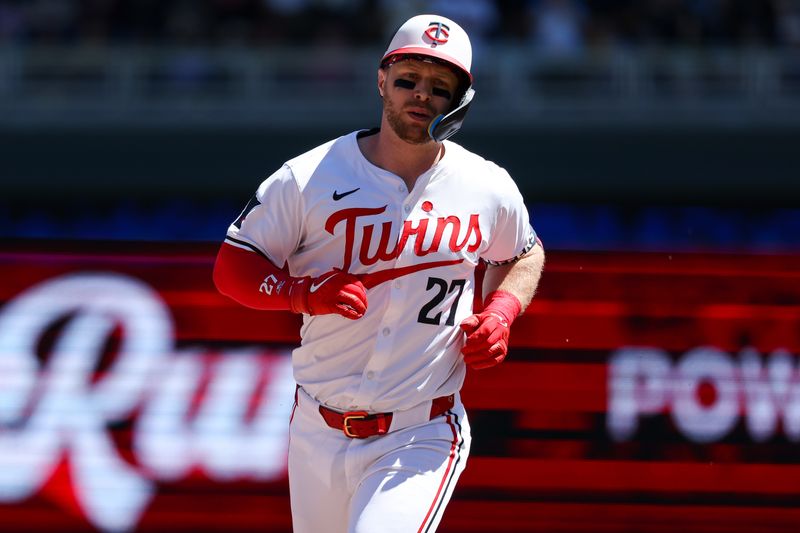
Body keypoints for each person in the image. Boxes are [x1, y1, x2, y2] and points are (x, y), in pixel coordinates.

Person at [213, 13, 545, 533]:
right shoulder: (309, 176)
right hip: (316, 426)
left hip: (420, 429)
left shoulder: (487, 185)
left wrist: (502, 311)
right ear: (381, 81)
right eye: (408, 79)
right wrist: (301, 293)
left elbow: (524, 253)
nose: (420, 95)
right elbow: (233, 268)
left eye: (439, 87)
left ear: (460, 99)